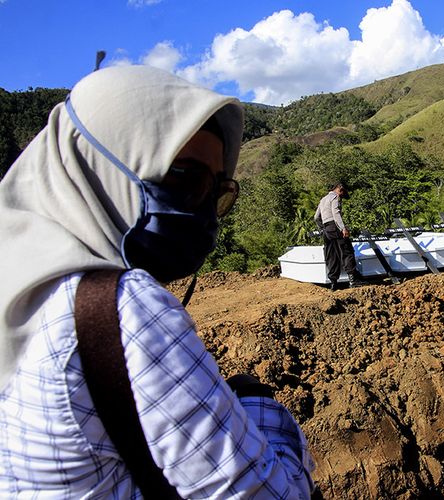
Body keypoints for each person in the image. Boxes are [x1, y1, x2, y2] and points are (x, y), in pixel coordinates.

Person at [0, 66, 315, 497]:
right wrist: (259, 407)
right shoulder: (125, 308)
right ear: (99, 166)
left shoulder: (20, 286)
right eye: (185, 179)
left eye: (217, 192)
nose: (202, 211)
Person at [314, 182, 364, 290]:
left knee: (331, 255)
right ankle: (353, 281)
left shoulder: (323, 199)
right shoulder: (334, 197)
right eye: (342, 193)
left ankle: (333, 283)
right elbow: (336, 213)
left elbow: (316, 217)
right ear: (339, 189)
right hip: (335, 227)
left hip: (326, 230)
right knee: (347, 252)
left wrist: (322, 229)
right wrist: (343, 228)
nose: (342, 196)